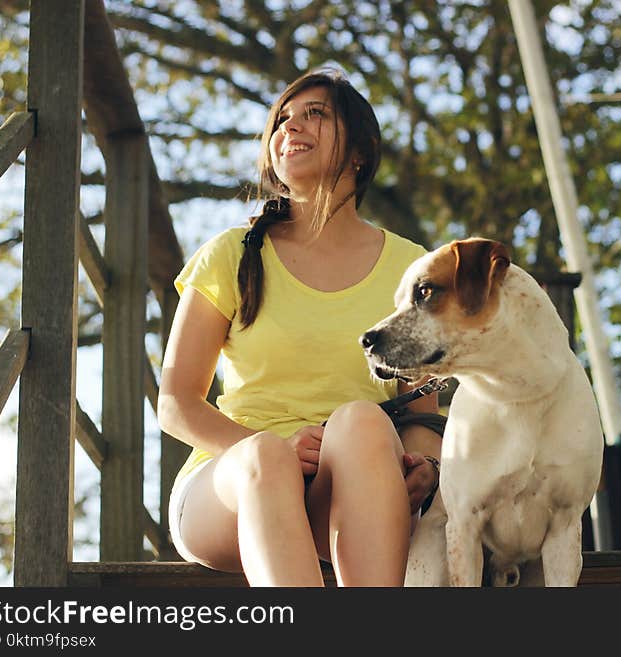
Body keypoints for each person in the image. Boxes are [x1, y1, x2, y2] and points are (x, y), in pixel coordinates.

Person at [157, 68, 445, 587]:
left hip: (353, 486)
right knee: (267, 456)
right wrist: (279, 450)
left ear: (360, 151)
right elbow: (176, 404)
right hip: (231, 488)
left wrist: (426, 462)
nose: (290, 127)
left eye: (315, 114)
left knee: (360, 420)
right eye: (282, 120)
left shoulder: (411, 269)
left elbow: (422, 413)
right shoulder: (231, 254)